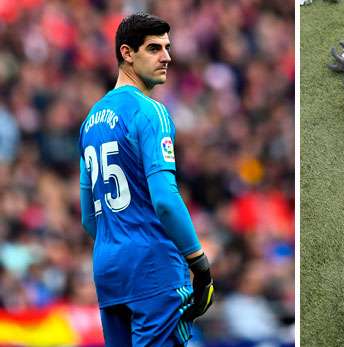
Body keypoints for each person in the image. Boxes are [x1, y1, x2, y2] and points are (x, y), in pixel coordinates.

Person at [78, 12, 214, 346]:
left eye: (167, 47)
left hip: (109, 270)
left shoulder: (90, 121)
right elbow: (166, 200)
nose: (167, 57)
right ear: (127, 53)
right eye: (154, 48)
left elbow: (87, 217)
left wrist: (120, 242)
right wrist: (199, 262)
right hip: (154, 268)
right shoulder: (150, 112)